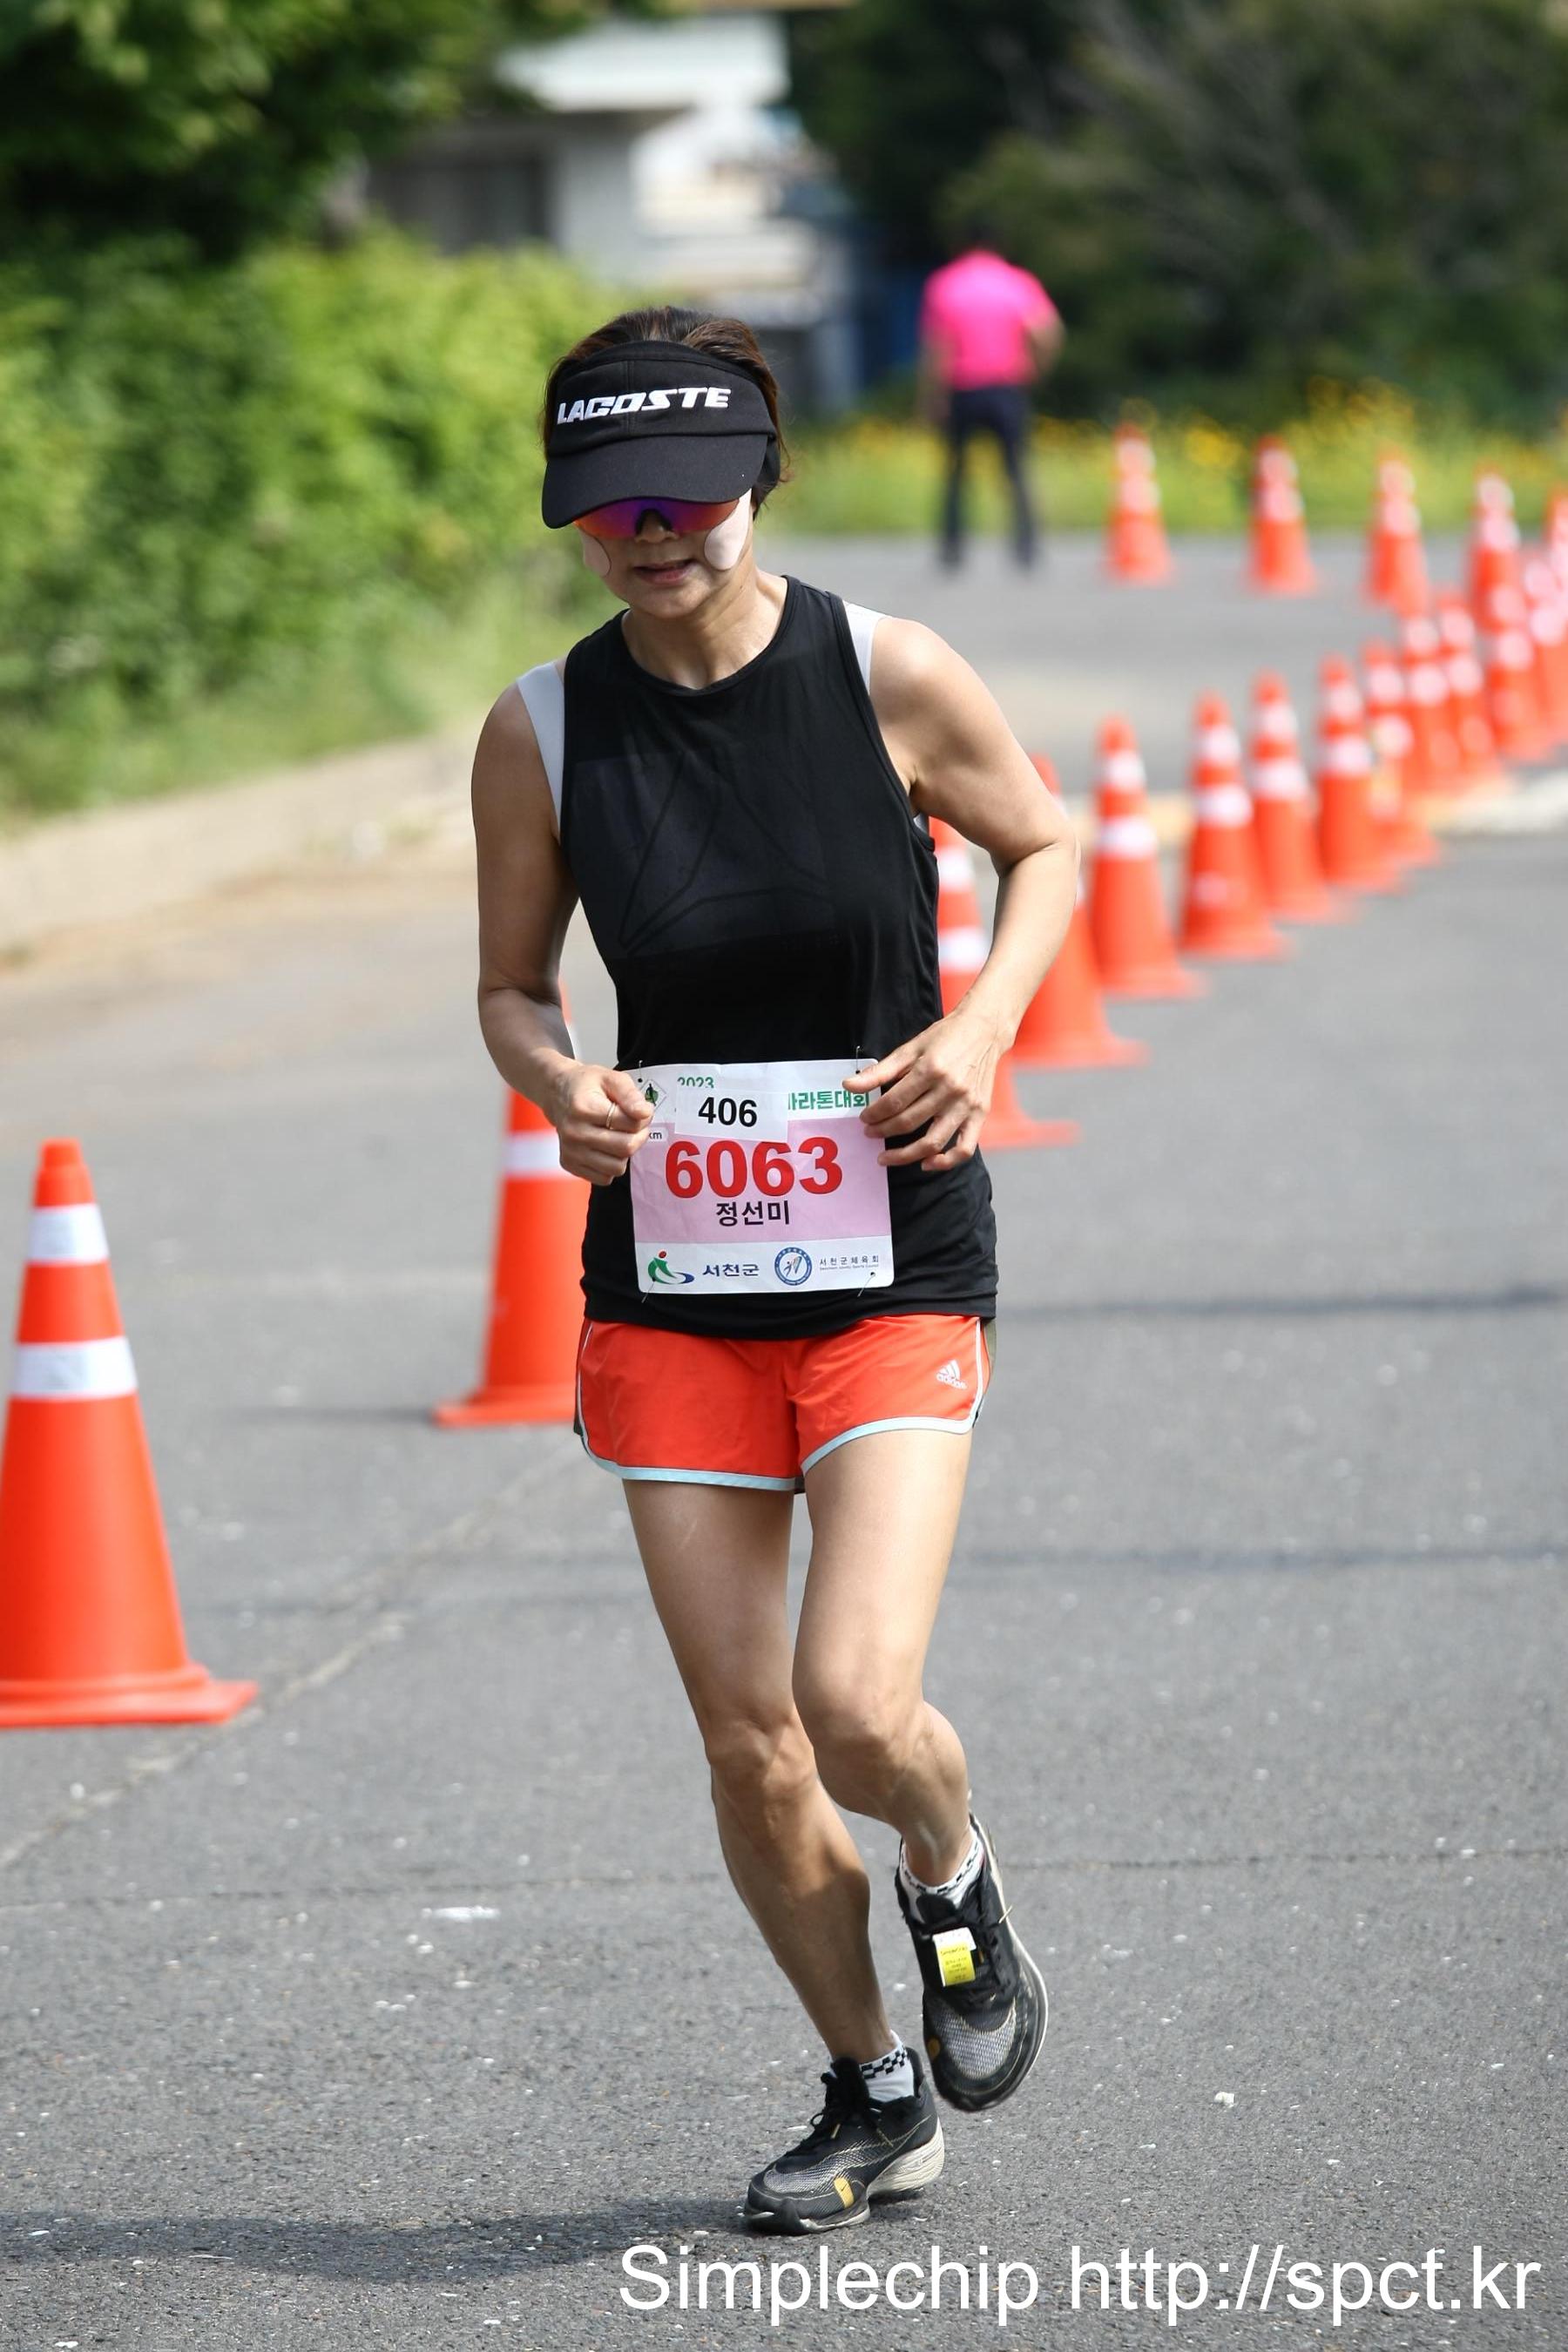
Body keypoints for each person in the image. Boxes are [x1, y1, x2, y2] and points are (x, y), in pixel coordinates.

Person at [469, 304, 1078, 2233]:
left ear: (762, 478)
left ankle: (952, 1872)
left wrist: (979, 1035)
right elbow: (509, 985)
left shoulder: (890, 672)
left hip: (891, 1252)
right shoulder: (545, 727)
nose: (653, 533)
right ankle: (873, 2090)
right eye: (610, 506)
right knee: (748, 1744)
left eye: (689, 495)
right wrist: (556, 1080)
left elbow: (1046, 848)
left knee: (854, 1706)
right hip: (674, 1279)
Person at [918, 237, 1063, 571]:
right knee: (1016, 469)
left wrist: (932, 396)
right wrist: (1037, 368)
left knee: (956, 472)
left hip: (962, 388)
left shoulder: (946, 283)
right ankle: (1026, 546)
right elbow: (1048, 333)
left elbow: (938, 345)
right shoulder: (1017, 282)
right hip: (1007, 386)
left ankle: (953, 548)